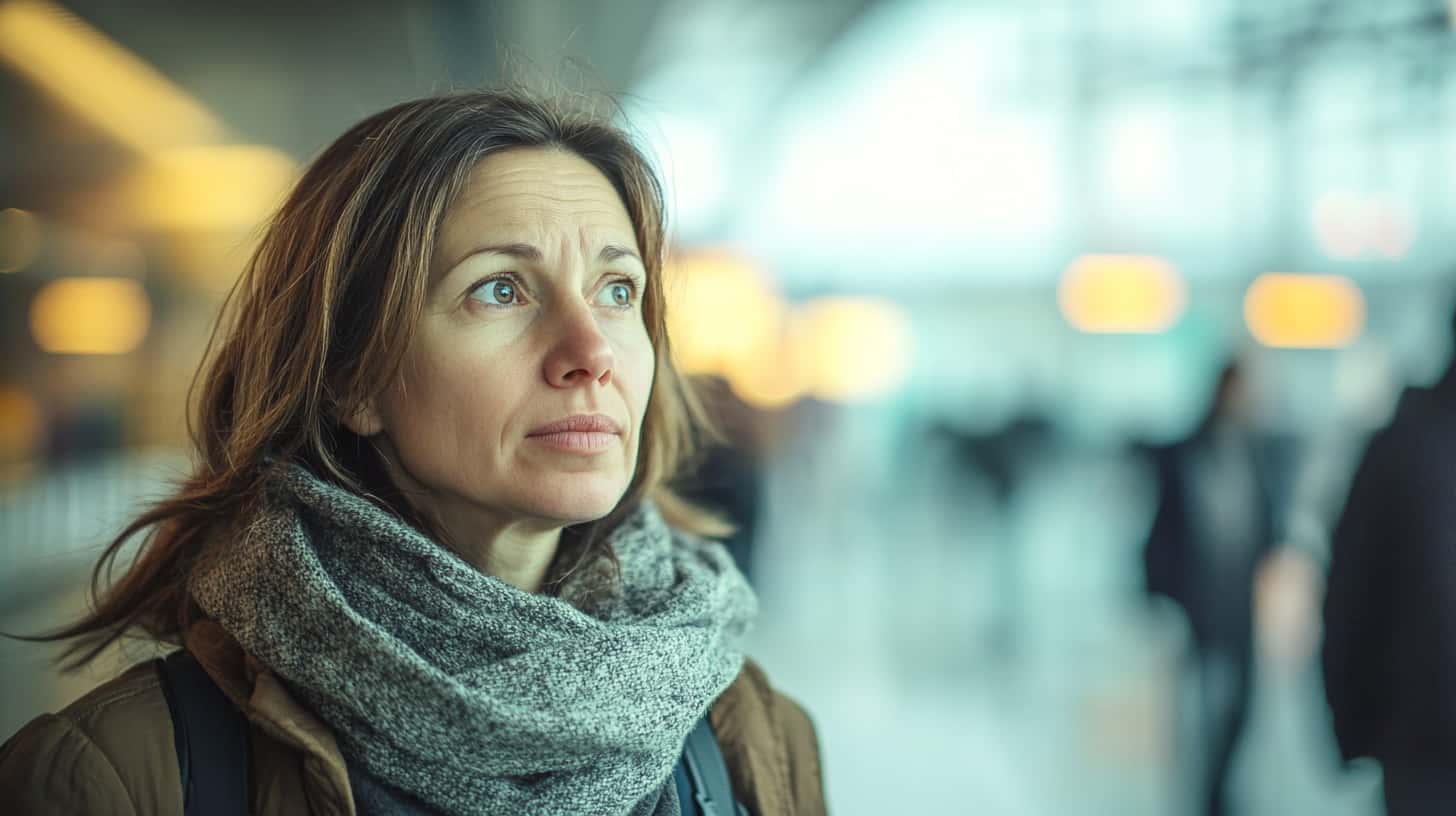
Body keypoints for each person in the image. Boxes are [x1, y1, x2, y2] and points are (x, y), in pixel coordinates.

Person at [0, 90, 824, 815]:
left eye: (619, 292)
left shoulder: (755, 737)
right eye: (501, 288)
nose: (592, 350)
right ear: (352, 377)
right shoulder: (113, 777)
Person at [1323, 324, 1456, 814]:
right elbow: (1351, 600)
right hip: (1426, 749)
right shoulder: (1406, 449)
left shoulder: (1403, 446)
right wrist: (1354, 726)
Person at [1142, 362, 1276, 816]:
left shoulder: (1252, 452)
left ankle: (1221, 794)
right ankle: (1209, 801)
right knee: (1203, 713)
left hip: (1239, 607)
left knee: (1241, 711)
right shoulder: (1188, 453)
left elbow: (1262, 525)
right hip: (1199, 606)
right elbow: (1163, 532)